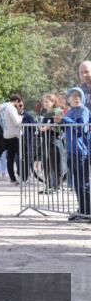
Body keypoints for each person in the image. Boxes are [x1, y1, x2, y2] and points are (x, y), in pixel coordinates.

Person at [61, 87, 90, 221]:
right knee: (76, 183)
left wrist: (64, 120)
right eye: (73, 96)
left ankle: (87, 212)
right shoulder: (69, 111)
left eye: (79, 95)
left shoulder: (84, 110)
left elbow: (81, 128)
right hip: (70, 150)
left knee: (83, 182)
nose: (76, 98)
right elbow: (64, 128)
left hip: (80, 151)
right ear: (69, 99)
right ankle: (82, 209)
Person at [1, 94, 24, 185]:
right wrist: (21, 117)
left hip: (6, 134)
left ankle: (12, 179)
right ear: (17, 101)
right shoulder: (11, 108)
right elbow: (17, 122)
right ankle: (22, 177)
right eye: (18, 103)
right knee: (22, 157)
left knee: (10, 158)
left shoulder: (2, 107)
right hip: (15, 135)